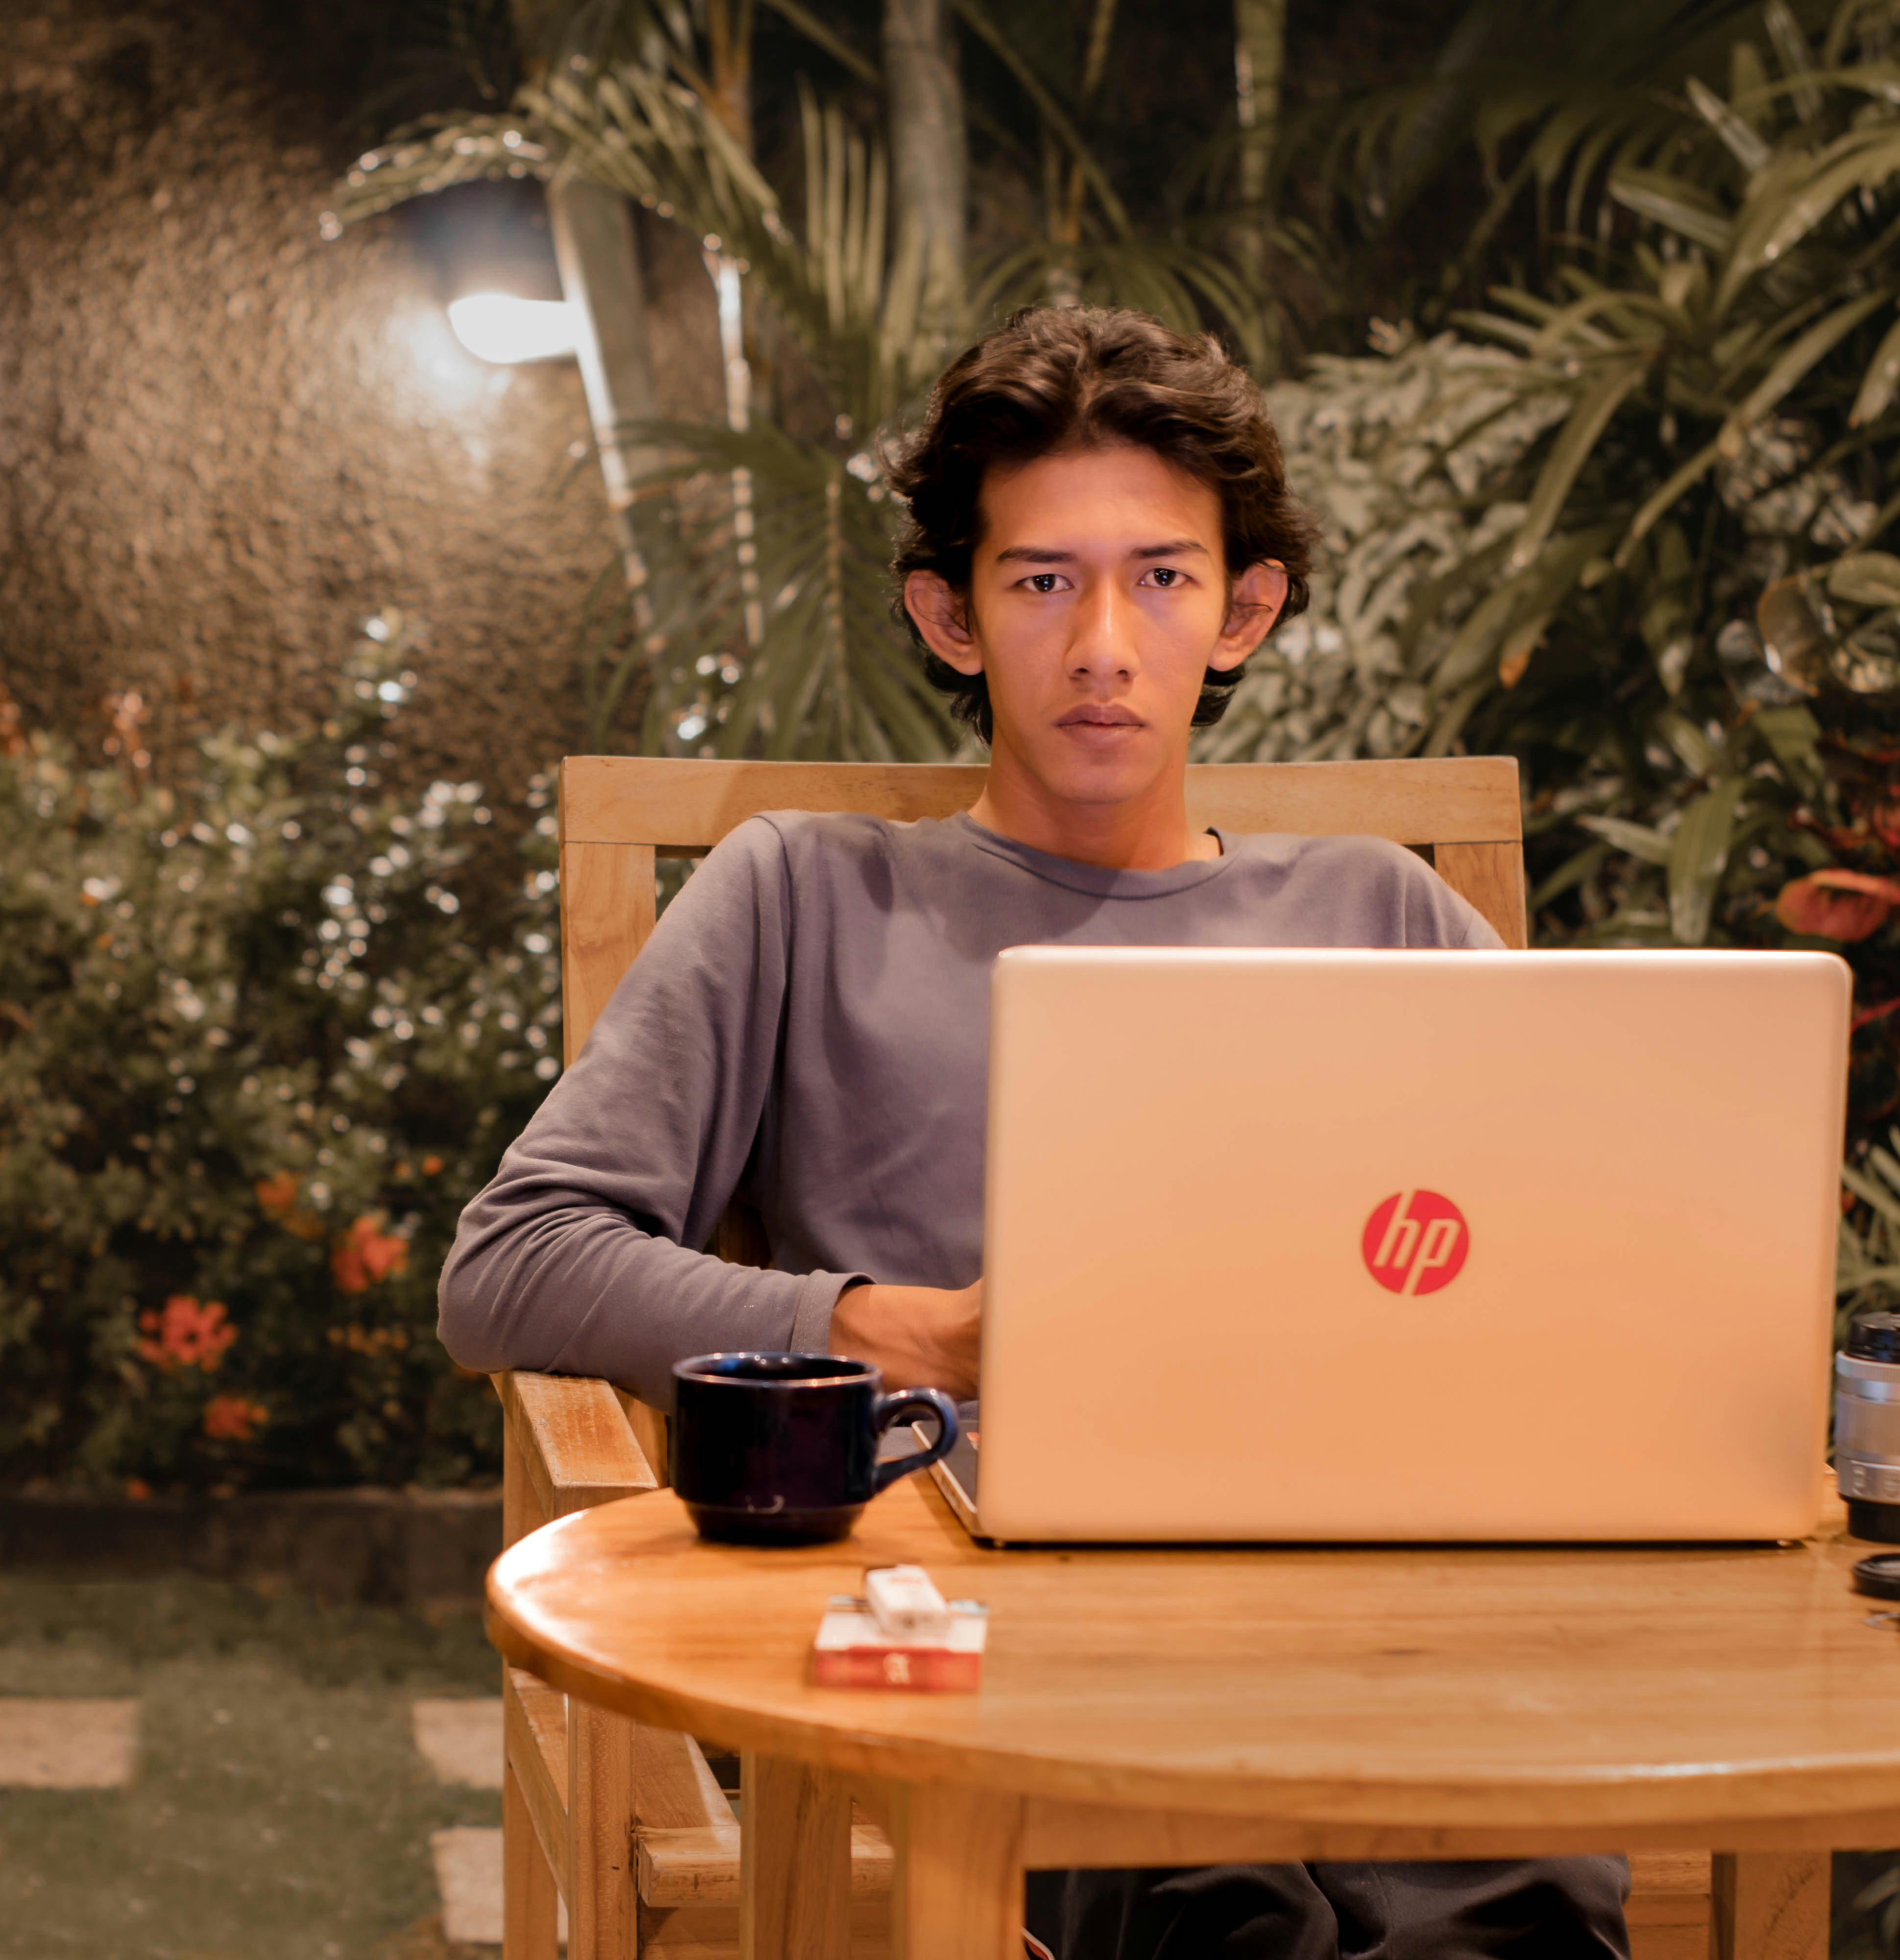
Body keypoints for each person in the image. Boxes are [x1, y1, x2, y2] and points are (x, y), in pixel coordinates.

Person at [439, 305, 1629, 1960]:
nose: (1102, 643)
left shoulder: (1379, 913)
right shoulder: (802, 895)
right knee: (1211, 1906)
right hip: (969, 1620)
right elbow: (513, 1263)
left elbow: (1606, 1255)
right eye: (1041, 580)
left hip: (1365, 1614)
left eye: (1160, 576)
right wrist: (896, 1332)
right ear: (951, 614)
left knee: (1519, 1910)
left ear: (1243, 610)